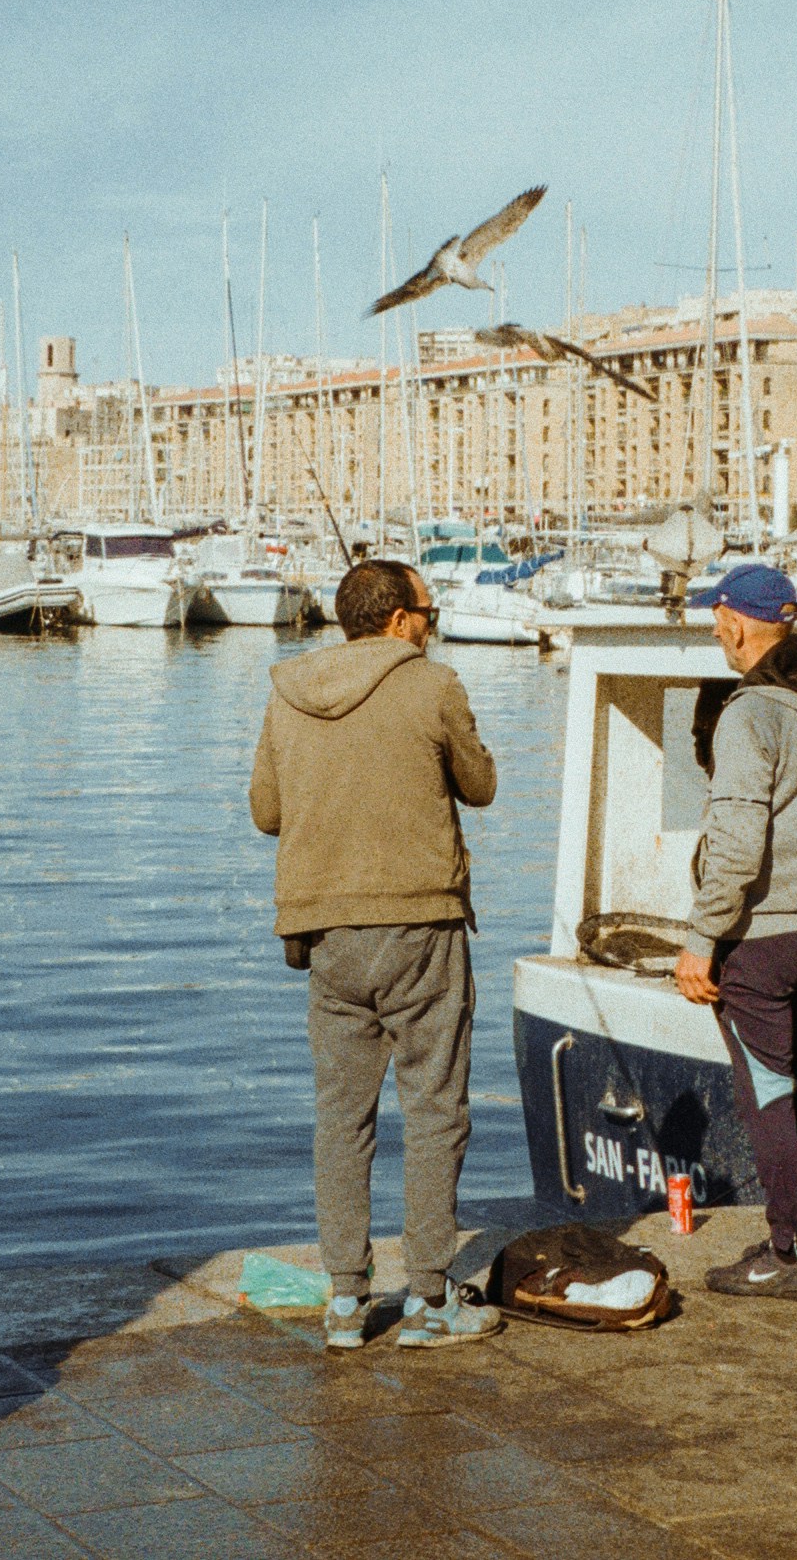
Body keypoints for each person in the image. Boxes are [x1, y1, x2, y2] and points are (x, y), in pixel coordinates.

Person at [248, 558, 504, 1351]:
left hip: (327, 936)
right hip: (420, 925)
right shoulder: (434, 683)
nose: (432, 625)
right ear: (398, 619)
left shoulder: (287, 689)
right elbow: (482, 783)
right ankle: (429, 1300)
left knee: (341, 1118)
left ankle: (346, 1303)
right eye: (427, 611)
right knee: (432, 1110)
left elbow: (265, 812)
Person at [670, 563, 797, 1302]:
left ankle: (790, 1250)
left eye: (717, 621)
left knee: (769, 1094)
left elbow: (737, 841)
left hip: (760, 936)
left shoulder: (748, 715)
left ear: (737, 620)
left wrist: (701, 937)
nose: (716, 633)